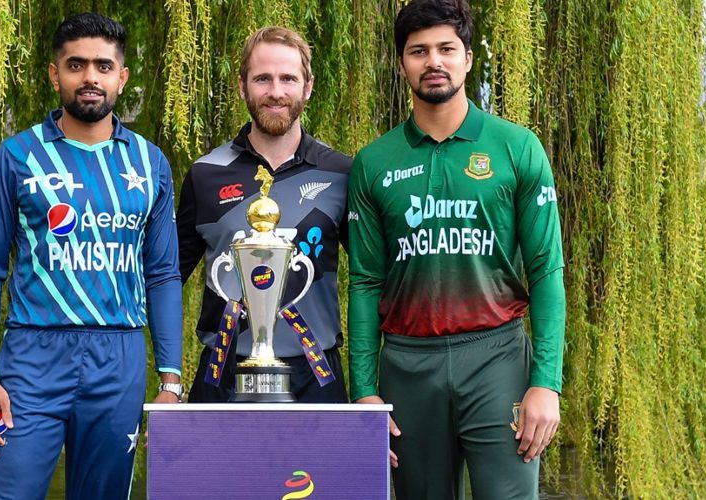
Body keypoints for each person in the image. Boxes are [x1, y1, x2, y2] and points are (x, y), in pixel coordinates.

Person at [347, 0, 565, 498]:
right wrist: (363, 391)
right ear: (402, 64)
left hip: (496, 359)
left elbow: (547, 270)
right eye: (418, 51)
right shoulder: (374, 162)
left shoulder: (516, 147)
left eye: (446, 48)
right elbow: (365, 282)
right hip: (405, 364)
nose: (433, 61)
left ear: (467, 58)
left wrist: (546, 382)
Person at [0, 12, 183, 499]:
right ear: (54, 73)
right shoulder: (17, 157)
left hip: (118, 359)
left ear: (122, 77)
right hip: (31, 359)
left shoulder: (150, 164)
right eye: (76, 65)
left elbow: (164, 274)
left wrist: (171, 379)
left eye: (103, 66)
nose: (90, 77)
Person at [177, 26, 351, 403]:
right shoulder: (206, 174)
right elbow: (164, 280)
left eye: (288, 78)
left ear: (308, 86)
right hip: (223, 372)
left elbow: (374, 280)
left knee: (312, 467)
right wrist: (170, 381)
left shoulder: (342, 173)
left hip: (314, 375)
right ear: (243, 86)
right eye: (262, 79)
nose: (275, 91)